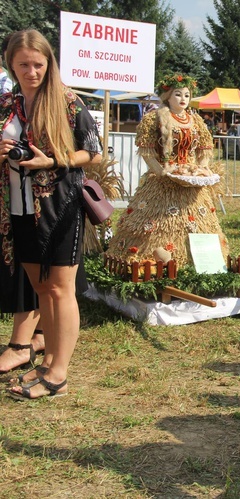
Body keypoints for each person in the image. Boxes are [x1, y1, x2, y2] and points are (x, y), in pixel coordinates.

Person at [1, 29, 102, 399]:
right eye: (23, 64)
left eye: (38, 64)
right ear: (11, 63)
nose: (31, 71)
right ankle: (45, 364)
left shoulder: (66, 101)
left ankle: (58, 372)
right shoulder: (6, 103)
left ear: (49, 63)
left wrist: (53, 159)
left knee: (60, 290)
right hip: (18, 208)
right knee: (41, 287)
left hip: (59, 205)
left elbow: (93, 151)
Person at [105, 74, 229, 266]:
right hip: (162, 181)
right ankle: (152, 259)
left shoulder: (195, 121)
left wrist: (200, 170)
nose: (183, 99)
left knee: (200, 223)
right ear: (167, 97)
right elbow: (146, 151)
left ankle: (199, 262)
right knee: (158, 226)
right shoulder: (153, 119)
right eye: (178, 94)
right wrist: (162, 171)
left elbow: (205, 147)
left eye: (186, 95)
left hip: (191, 181)